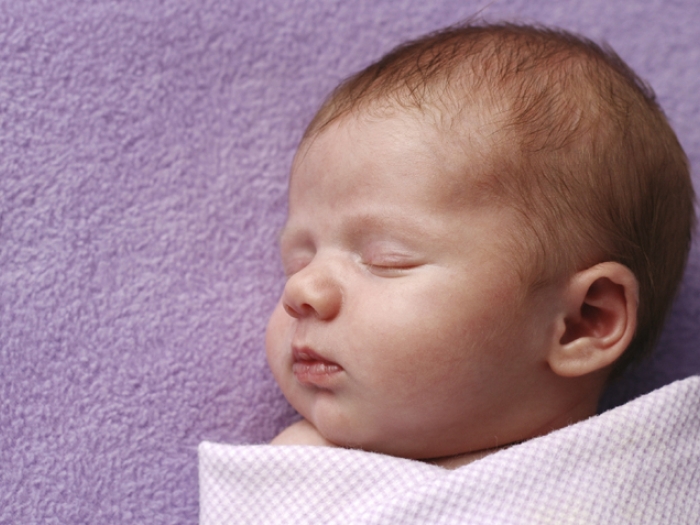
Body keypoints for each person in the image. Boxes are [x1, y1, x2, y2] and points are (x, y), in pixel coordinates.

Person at [264, 22, 695, 469]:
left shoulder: (653, 479)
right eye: (297, 262)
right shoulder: (301, 479)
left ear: (582, 322)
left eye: (385, 260)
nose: (300, 292)